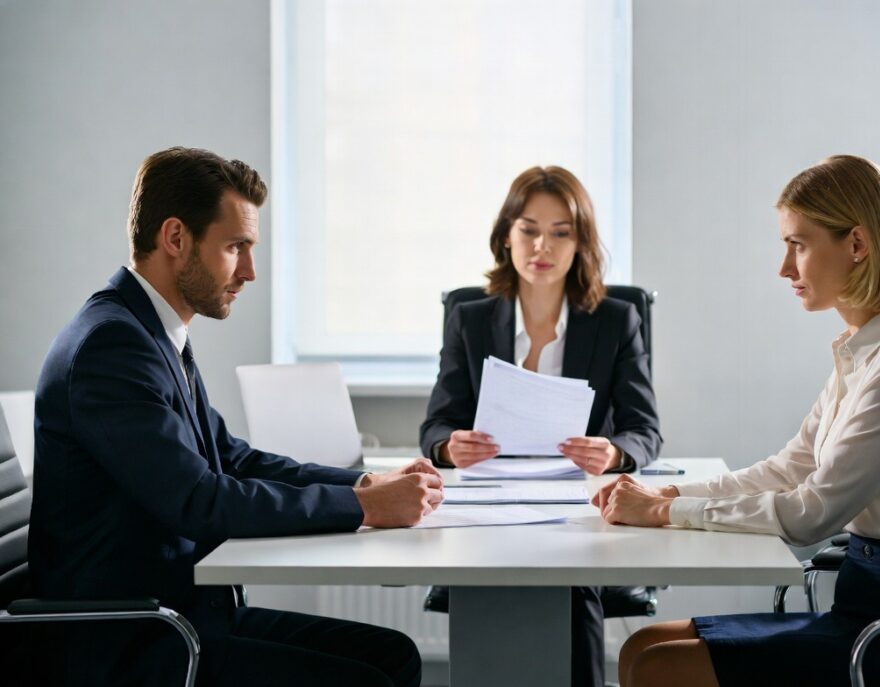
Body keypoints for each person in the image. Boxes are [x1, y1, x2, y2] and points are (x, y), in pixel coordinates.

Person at [29, 147, 444, 687]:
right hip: (127, 640)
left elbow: (231, 458)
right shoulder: (113, 346)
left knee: (392, 656)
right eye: (235, 247)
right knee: (367, 678)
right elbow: (200, 500)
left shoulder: (151, 332)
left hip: (180, 618)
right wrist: (362, 506)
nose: (249, 271)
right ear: (175, 238)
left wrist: (364, 482)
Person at [594, 155, 880, 687]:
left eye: (797, 245)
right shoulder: (865, 352)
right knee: (643, 646)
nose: (785, 268)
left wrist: (669, 515)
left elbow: (812, 513)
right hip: (870, 609)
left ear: (856, 244)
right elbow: (787, 469)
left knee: (661, 667)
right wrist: (661, 496)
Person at [419, 165, 663, 687]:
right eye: (528, 229)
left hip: (572, 503)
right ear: (506, 235)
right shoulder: (471, 318)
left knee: (573, 583)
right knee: (485, 583)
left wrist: (612, 453)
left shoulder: (616, 319)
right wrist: (449, 446)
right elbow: (438, 422)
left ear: (581, 243)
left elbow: (644, 429)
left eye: (560, 232)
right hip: (487, 500)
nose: (541, 246)